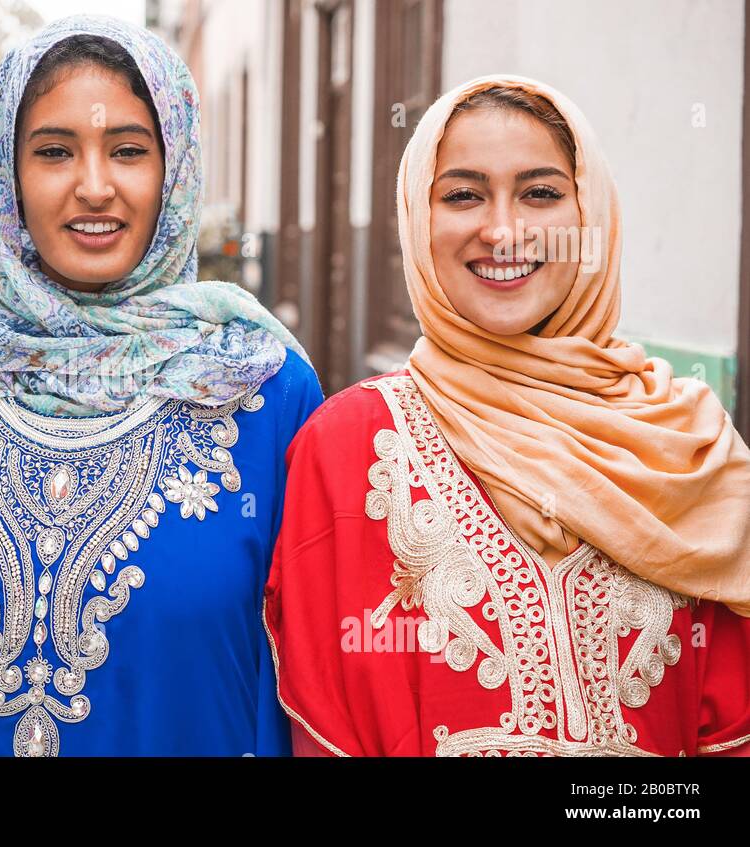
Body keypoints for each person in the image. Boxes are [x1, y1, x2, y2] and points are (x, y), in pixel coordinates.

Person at [0, 15, 322, 756]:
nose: (95, 186)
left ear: (173, 170)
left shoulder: (266, 395)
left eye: (130, 151)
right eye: (53, 152)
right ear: (5, 176)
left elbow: (306, 700)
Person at [265, 75, 750, 757]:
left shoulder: (688, 445)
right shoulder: (346, 447)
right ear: (417, 217)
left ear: (591, 216)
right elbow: (325, 727)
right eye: (463, 194)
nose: (503, 230)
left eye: (541, 193)